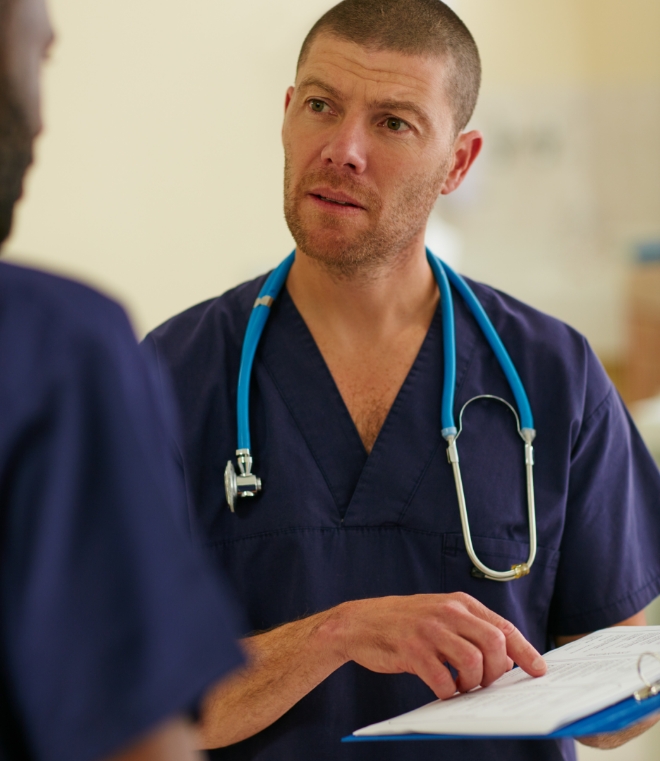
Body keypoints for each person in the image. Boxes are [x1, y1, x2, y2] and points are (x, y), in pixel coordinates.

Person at [143, 1, 660, 759]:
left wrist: (613, 687)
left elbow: (620, 701)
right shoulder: (167, 377)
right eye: (321, 106)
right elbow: (120, 699)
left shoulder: (553, 376)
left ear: (459, 162)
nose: (343, 149)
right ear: (288, 115)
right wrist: (334, 634)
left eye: (393, 123)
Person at [0, 0, 245, 759]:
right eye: (37, 56)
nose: (40, 122)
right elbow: (139, 738)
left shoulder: (549, 363)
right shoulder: (61, 352)